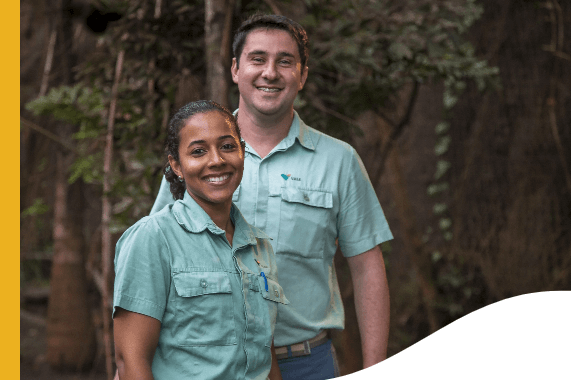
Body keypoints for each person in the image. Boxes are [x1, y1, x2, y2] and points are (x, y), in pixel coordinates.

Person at [151, 14, 393, 380]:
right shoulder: (197, 157)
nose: (270, 72)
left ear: (303, 74)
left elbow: (367, 266)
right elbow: (156, 258)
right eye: (257, 59)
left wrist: (377, 371)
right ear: (235, 69)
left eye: (285, 61)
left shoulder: (339, 161)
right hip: (207, 362)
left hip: (306, 360)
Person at [113, 100, 287, 380]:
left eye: (228, 146)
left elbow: (264, 355)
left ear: (243, 153)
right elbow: (131, 360)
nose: (216, 160)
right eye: (198, 151)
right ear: (176, 165)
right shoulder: (153, 238)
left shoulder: (259, 246)